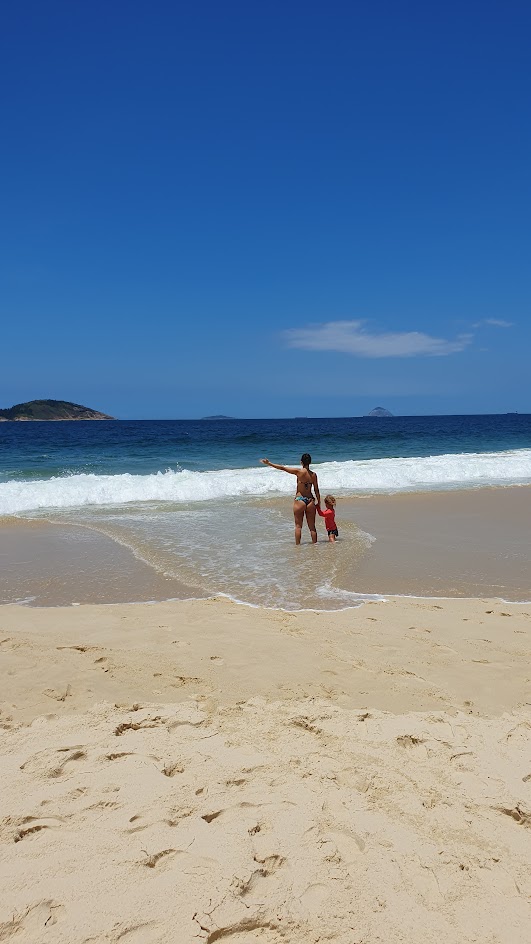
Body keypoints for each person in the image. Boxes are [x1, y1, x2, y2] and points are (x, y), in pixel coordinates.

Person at [260, 453, 320, 545]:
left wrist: (270, 463)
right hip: (310, 500)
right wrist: (319, 502)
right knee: (312, 527)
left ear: (301, 462)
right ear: (310, 462)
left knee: (298, 526)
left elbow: (283, 468)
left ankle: (298, 548)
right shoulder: (314, 475)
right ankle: (315, 547)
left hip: (300, 500)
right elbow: (316, 490)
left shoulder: (299, 472)